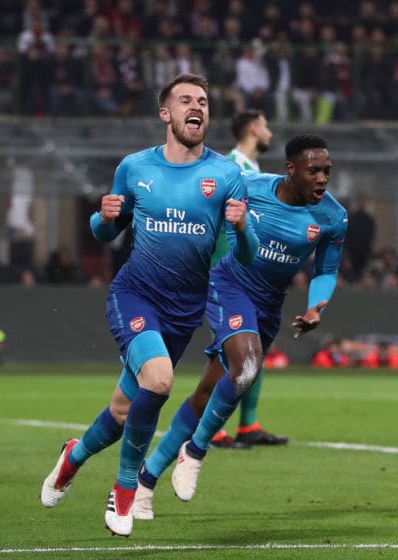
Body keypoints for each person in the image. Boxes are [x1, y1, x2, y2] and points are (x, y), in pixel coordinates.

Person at [37, 73, 258, 538]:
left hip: (184, 311)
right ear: (166, 114)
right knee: (158, 382)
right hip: (135, 294)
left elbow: (248, 255)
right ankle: (124, 491)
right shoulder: (135, 168)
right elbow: (104, 232)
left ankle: (72, 457)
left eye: (203, 100)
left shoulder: (226, 175)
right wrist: (103, 216)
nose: (196, 107)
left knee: (121, 412)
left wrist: (241, 229)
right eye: (185, 100)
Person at [132, 134, 347, 517]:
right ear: (291, 169)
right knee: (248, 366)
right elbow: (202, 210)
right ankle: (195, 452)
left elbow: (326, 270)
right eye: (313, 170)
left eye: (327, 171)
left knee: (206, 393)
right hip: (229, 284)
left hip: (268, 304)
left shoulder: (332, 217)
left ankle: (145, 483)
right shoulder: (251, 187)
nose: (322, 178)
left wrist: (317, 306)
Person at [210, 109, 283, 449]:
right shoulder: (227, 168)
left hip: (255, 274)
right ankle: (215, 428)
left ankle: (248, 424)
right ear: (254, 128)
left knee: (256, 347)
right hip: (225, 272)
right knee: (230, 348)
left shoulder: (256, 173)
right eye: (266, 124)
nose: (270, 131)